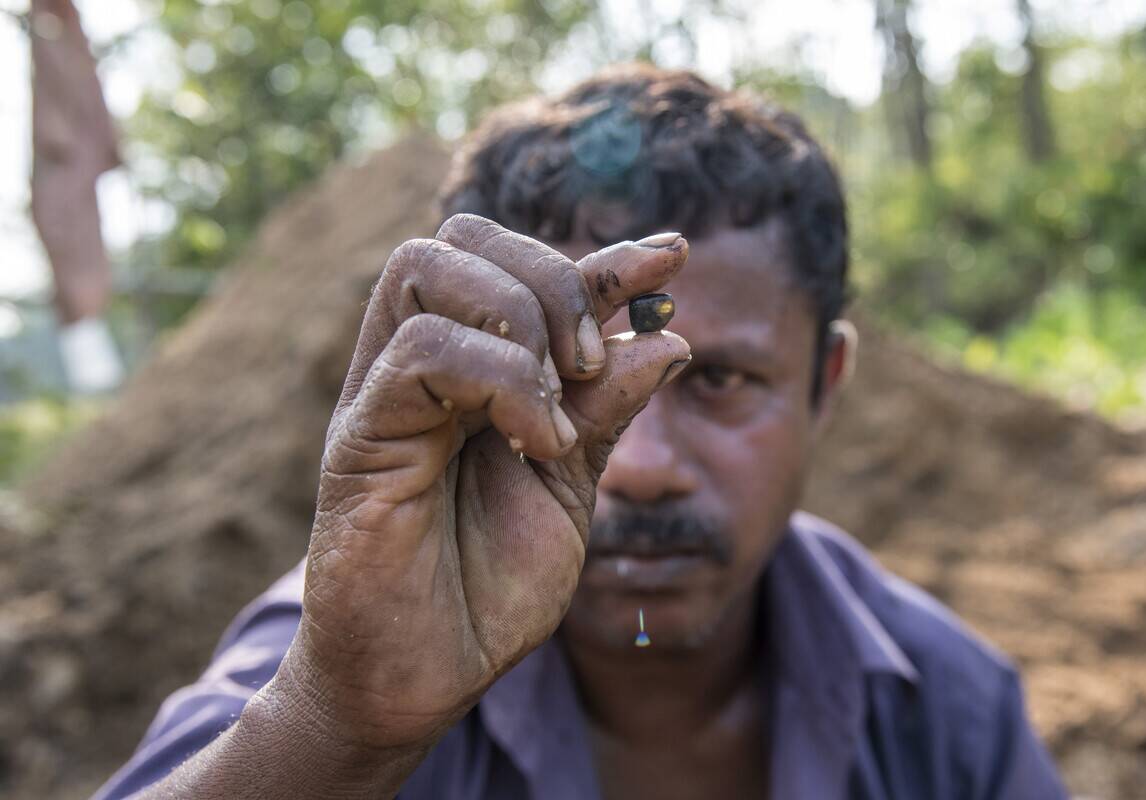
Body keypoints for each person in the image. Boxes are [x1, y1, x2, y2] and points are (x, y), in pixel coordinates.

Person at [93, 64, 1066, 800]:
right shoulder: (343, 645)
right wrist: (335, 723)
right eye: (563, 379)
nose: (638, 468)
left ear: (827, 383)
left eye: (718, 378)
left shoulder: (944, 709)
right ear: (454, 394)